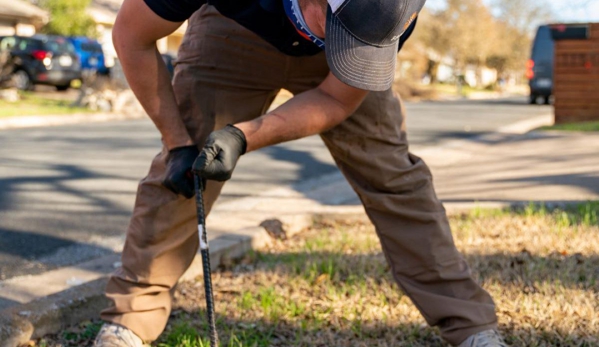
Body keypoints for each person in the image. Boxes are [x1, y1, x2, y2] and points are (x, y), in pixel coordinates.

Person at [94, 0, 508, 346]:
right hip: (235, 28)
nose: (330, 39)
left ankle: (471, 325)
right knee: (187, 173)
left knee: (394, 176)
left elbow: (334, 99)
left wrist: (243, 136)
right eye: (330, 25)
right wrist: (177, 142)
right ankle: (131, 318)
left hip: (348, 58)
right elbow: (132, 36)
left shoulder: (391, 9)